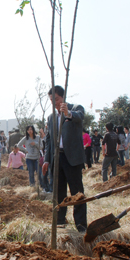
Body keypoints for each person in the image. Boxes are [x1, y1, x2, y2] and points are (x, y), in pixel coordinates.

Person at [42, 86, 87, 232]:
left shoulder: (75, 109)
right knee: (58, 191)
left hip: (72, 159)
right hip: (57, 158)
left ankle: (81, 225)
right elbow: (49, 140)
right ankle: (60, 221)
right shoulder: (51, 118)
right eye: (51, 100)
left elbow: (80, 117)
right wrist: (47, 160)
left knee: (77, 193)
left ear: (63, 97)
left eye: (56, 99)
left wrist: (68, 113)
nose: (54, 102)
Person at [38, 128, 51, 192]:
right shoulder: (39, 141)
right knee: (43, 175)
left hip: (48, 160)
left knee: (48, 175)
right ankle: (46, 188)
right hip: (42, 161)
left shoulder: (46, 140)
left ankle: (50, 189)